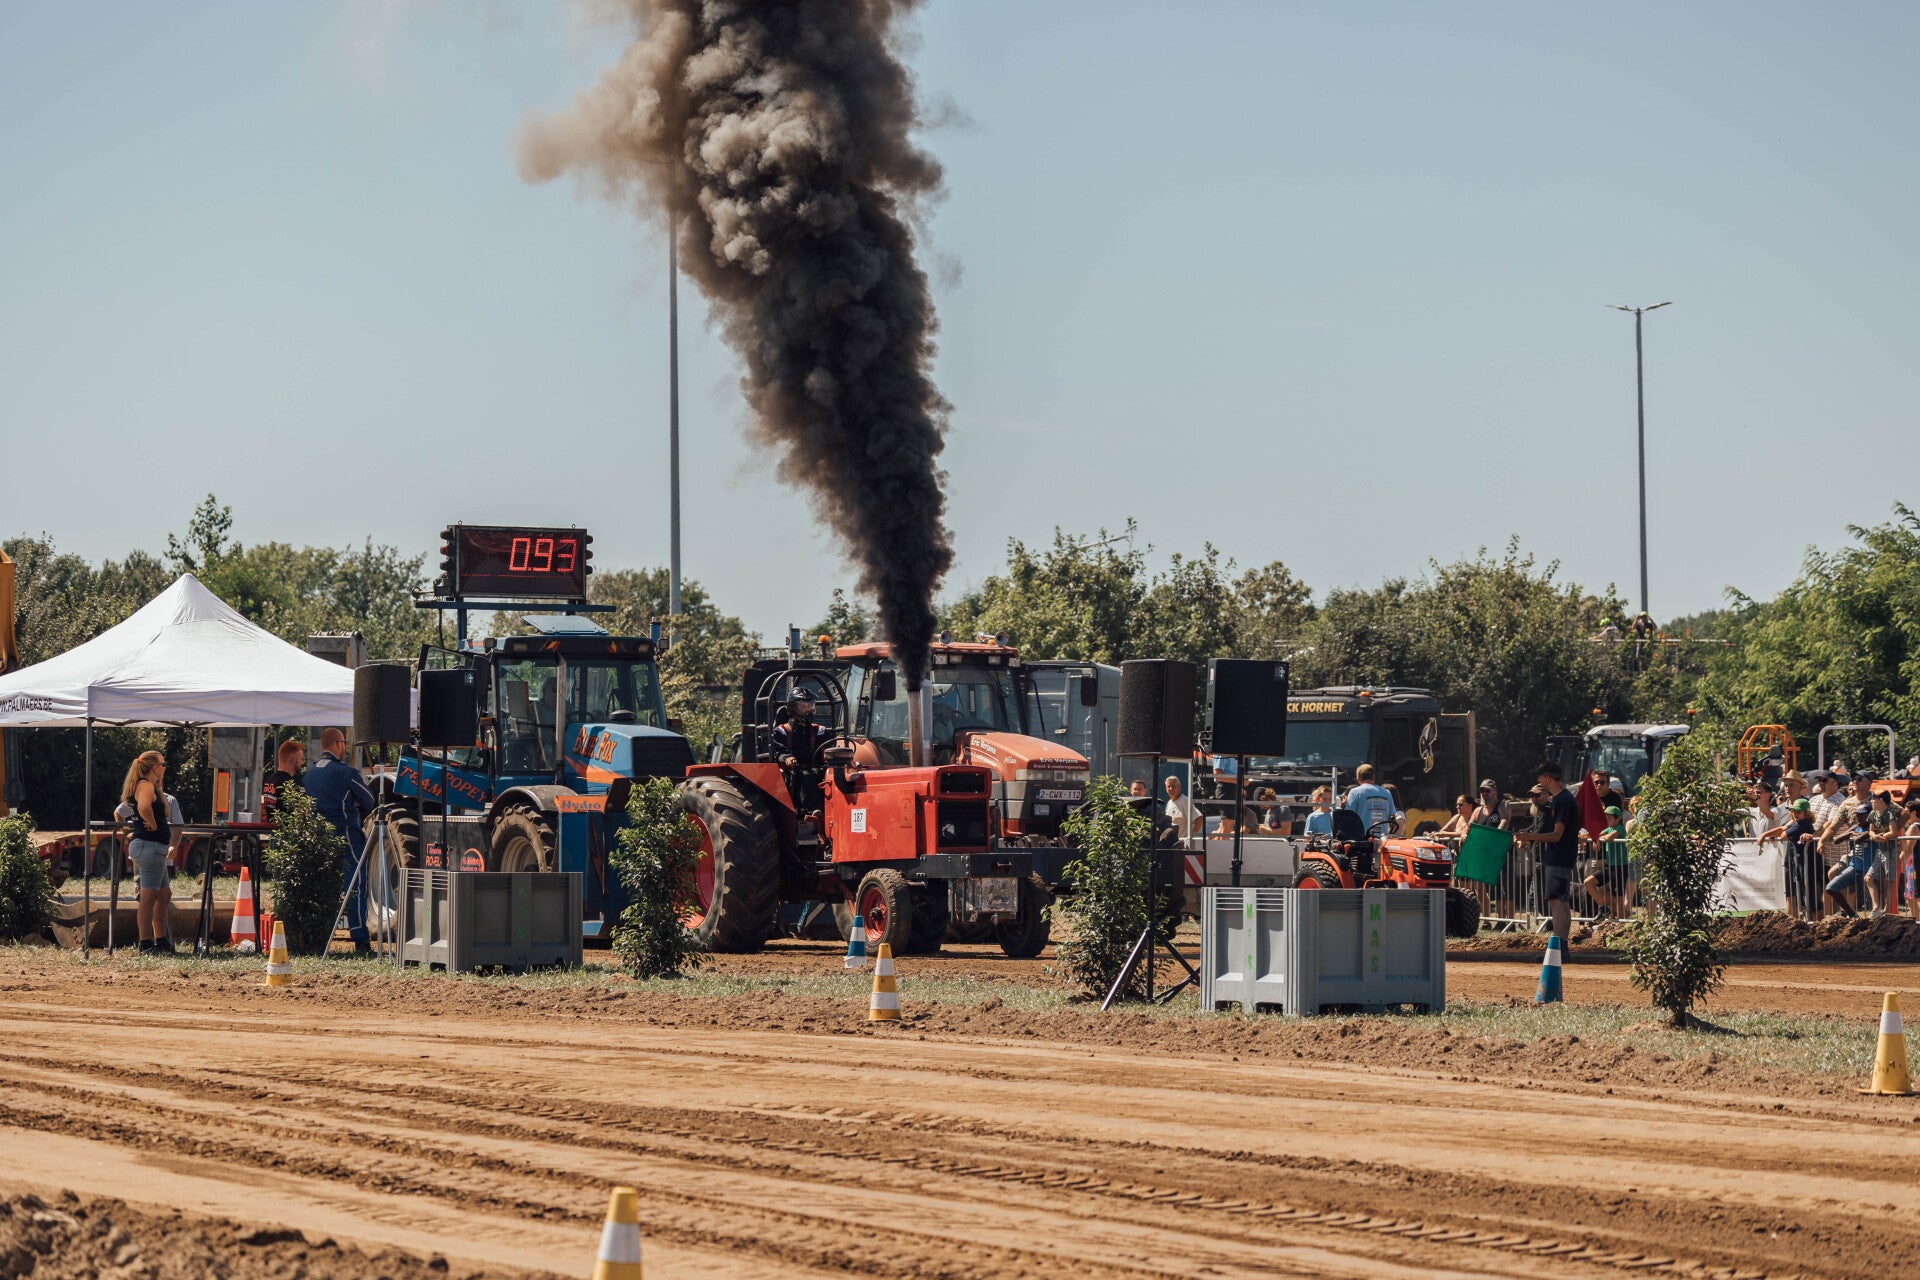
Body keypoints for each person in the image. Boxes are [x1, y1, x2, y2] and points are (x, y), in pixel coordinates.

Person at [304, 727, 377, 953]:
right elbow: (369, 800)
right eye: (344, 742)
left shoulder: (309, 774)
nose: (344, 746)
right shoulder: (346, 773)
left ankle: (320, 936)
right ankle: (360, 939)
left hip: (319, 838)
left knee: (323, 888)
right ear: (338, 743)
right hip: (346, 836)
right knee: (355, 885)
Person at [1511, 762, 1580, 947]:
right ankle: (1562, 946)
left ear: (1548, 778)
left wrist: (1529, 836)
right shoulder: (1564, 798)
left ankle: (1558, 947)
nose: (1538, 780)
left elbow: (1557, 835)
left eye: (1540, 776)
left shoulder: (1562, 800)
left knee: (1556, 902)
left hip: (1558, 857)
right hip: (1562, 857)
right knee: (1561, 902)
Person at [119, 751, 174, 954]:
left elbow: (166, 812)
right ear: (155, 767)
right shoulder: (144, 785)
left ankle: (161, 940)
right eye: (163, 764)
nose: (165, 768)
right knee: (148, 898)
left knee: (164, 894)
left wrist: (160, 789)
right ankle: (146, 944)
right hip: (149, 846)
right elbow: (143, 807)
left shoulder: (152, 787)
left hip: (154, 847)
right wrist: (151, 822)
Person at [1762, 797, 1823, 921]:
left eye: (1799, 812)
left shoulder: (1802, 824)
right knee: (1806, 896)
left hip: (1808, 863)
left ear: (1807, 813)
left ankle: (1819, 923)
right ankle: (1813, 922)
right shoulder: (1798, 823)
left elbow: (1784, 835)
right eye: (1794, 811)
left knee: (1811, 896)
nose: (1795, 814)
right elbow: (1782, 830)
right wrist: (1766, 835)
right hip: (1802, 862)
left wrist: (1775, 833)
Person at [1824, 802, 1875, 919]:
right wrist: (1851, 832)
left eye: (1862, 815)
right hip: (1854, 867)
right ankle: (1851, 914)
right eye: (1857, 814)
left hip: (1868, 869)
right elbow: (1836, 840)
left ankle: (1876, 922)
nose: (1859, 817)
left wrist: (1852, 834)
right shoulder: (1856, 826)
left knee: (1872, 902)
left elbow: (1858, 839)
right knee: (1831, 888)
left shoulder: (1873, 827)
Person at [1582, 805, 1634, 917]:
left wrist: (1598, 839)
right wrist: (1591, 838)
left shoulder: (1620, 828)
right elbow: (1595, 834)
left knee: (1619, 897)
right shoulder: (1608, 829)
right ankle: (1604, 908)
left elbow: (1609, 837)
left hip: (1620, 867)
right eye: (1605, 817)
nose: (1606, 819)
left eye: (1609, 817)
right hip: (1609, 866)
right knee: (1588, 883)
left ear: (1618, 818)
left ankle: (1621, 920)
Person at [1864, 790, 1898, 916]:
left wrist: (1882, 836)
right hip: (1880, 851)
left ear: (1881, 800)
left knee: (1889, 882)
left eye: (1873, 799)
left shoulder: (1889, 814)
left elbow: (1893, 832)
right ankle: (1876, 908)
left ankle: (1887, 912)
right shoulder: (1873, 814)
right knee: (1868, 878)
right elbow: (1871, 831)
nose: (1871, 801)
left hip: (1891, 851)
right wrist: (1874, 837)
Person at [260, 738, 305, 824]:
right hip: (286, 830)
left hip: (271, 829)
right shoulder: (289, 785)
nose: (302, 762)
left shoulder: (269, 781)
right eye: (301, 758)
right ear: (293, 759)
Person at [1343, 764, 1395, 837]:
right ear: (1373, 776)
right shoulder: (1386, 792)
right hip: (1382, 838)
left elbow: (1348, 816)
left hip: (1362, 837)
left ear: (1358, 778)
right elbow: (1392, 816)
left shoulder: (1355, 792)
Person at [1162, 773, 1196, 841]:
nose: (1171, 789)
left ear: (1179, 787)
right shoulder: (1169, 802)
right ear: (1166, 789)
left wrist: (1190, 839)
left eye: (1173, 786)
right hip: (1171, 842)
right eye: (1168, 786)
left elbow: (1199, 820)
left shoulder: (1185, 801)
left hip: (1182, 843)